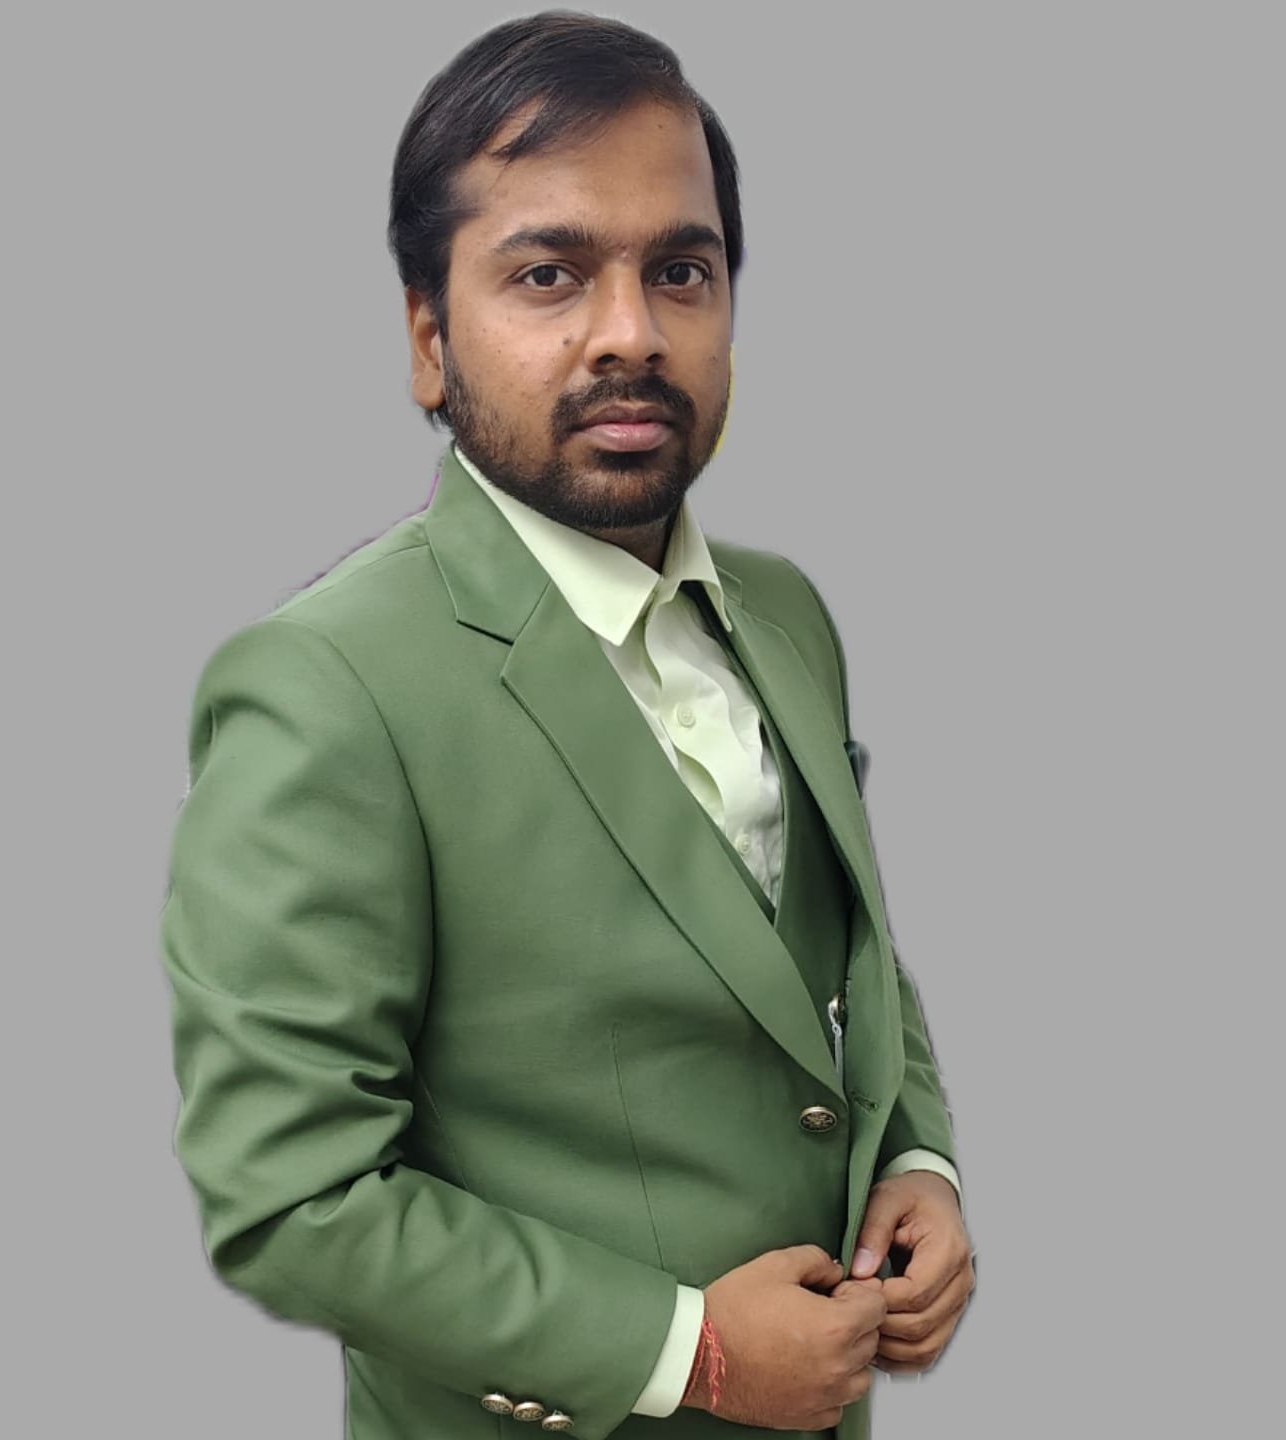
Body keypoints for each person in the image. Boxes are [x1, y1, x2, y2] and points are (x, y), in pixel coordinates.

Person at [159, 12, 974, 1438]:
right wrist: (690, 1354)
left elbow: (835, 959)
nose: (631, 333)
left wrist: (918, 1161)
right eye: (549, 274)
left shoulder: (787, 613)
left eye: (682, 272)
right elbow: (289, 1200)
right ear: (430, 338)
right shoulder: (323, 688)